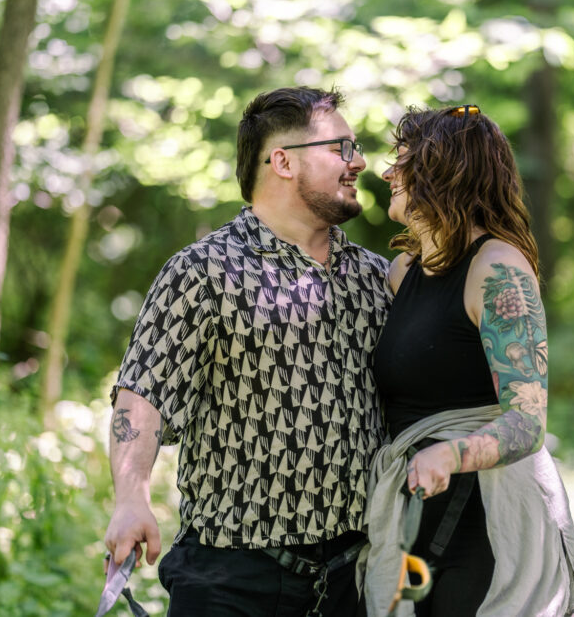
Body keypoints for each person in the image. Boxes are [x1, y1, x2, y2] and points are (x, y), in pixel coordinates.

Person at [103, 86, 392, 616]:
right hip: (230, 580)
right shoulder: (203, 271)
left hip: (356, 579)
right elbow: (141, 394)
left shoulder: (378, 278)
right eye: (342, 148)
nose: (360, 161)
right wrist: (130, 498)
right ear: (282, 161)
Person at [361, 105, 574, 616]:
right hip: (416, 511)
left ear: (443, 171)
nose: (387, 173)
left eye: (403, 162)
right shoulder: (402, 274)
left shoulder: (498, 269)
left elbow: (527, 423)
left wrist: (449, 454)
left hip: (483, 518)